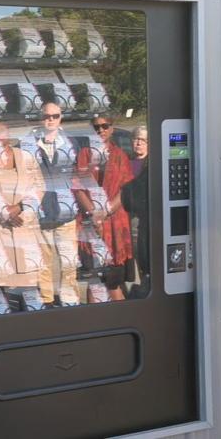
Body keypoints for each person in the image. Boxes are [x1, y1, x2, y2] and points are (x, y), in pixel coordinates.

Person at [0, 120, 48, 308]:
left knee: (30, 290)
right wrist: (4, 211)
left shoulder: (26, 157)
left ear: (8, 133)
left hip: (24, 229)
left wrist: (20, 206)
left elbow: (40, 187)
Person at [27, 102, 89, 306]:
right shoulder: (28, 142)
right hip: (41, 211)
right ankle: (45, 301)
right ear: (40, 118)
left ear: (61, 117)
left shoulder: (71, 142)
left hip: (66, 210)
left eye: (55, 116)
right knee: (42, 262)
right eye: (47, 116)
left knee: (69, 261)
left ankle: (69, 301)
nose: (51, 119)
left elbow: (80, 174)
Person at [86, 113, 134, 301]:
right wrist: (93, 213)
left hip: (113, 223)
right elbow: (78, 185)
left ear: (112, 128)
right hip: (91, 222)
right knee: (93, 278)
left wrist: (104, 212)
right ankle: (93, 323)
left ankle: (121, 320)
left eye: (105, 126)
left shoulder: (120, 156)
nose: (101, 130)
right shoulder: (85, 155)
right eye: (97, 127)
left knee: (112, 280)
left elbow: (125, 188)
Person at [110, 125, 150, 297]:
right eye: (135, 139)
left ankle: (146, 287)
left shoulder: (151, 165)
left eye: (143, 140)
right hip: (124, 217)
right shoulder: (127, 162)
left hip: (141, 219)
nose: (138, 143)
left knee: (144, 257)